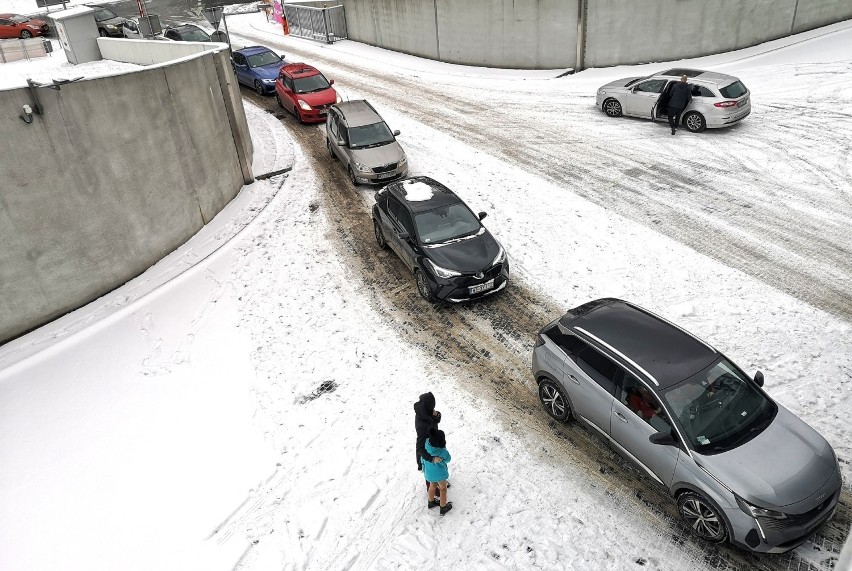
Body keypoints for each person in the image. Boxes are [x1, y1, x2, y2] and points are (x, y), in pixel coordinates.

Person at [414, 392, 444, 488]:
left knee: (438, 467)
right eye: (432, 407)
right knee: (430, 472)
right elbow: (420, 447)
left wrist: (436, 415)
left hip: (434, 443)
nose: (433, 409)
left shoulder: (426, 411)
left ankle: (440, 482)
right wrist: (431, 459)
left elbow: (436, 420)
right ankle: (432, 493)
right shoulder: (422, 425)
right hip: (427, 451)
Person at [422, 429, 453, 515]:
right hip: (440, 475)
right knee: (443, 488)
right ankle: (443, 507)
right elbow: (448, 459)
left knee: (432, 486)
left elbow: (422, 457)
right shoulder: (442, 451)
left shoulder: (426, 444)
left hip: (429, 474)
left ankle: (431, 502)